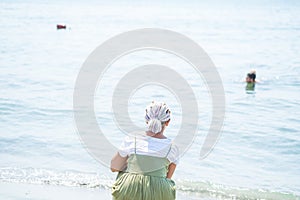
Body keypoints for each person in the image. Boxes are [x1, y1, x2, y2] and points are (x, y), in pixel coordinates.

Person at [110, 101, 179, 200]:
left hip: (129, 189)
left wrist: (132, 167)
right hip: (158, 192)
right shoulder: (172, 147)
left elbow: (114, 167)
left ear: (146, 120)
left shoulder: (132, 139)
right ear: (168, 122)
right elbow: (168, 177)